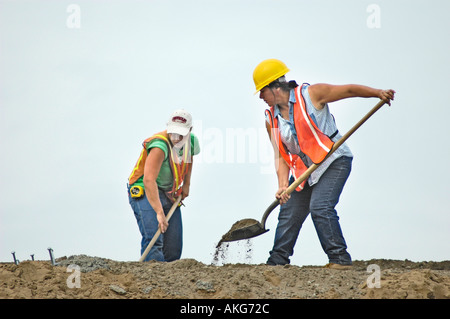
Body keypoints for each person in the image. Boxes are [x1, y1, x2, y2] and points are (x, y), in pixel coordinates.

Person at [253, 59, 395, 269]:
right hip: (305, 171)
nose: (260, 97)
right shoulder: (270, 119)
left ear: (275, 87)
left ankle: (339, 259)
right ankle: (277, 261)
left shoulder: (311, 95)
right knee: (289, 212)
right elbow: (280, 155)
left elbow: (347, 90)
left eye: (262, 91)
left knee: (320, 207)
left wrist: (377, 93)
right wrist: (283, 185)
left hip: (333, 161)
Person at [127, 109, 200, 262]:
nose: (177, 138)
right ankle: (150, 282)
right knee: (154, 239)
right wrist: (159, 212)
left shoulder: (191, 141)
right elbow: (149, 180)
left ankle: (168, 283)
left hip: (168, 192)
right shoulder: (159, 146)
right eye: (174, 133)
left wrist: (187, 184)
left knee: (173, 249)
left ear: (189, 131)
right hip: (146, 190)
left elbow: (188, 158)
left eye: (181, 134)